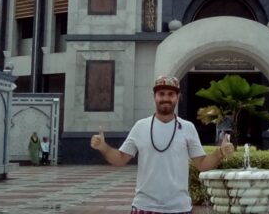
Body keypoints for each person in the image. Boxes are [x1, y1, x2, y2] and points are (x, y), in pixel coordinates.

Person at [91, 75, 235, 214]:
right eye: (161, 94)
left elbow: (202, 164)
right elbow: (120, 159)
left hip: (179, 208)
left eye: (171, 94)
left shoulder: (187, 128)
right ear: (154, 97)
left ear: (177, 98)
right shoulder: (140, 127)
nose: (165, 98)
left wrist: (220, 153)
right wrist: (103, 147)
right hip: (144, 206)